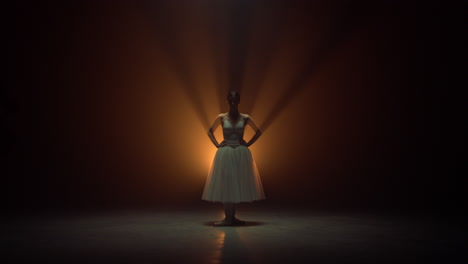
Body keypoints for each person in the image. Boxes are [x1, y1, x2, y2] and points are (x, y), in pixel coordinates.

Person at [202, 90, 265, 226]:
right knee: (227, 183)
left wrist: (248, 143)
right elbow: (209, 131)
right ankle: (227, 218)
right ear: (227, 100)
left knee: (236, 184)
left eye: (235, 99)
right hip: (226, 152)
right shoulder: (221, 117)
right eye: (230, 98)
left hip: (239, 152)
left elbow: (258, 131)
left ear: (239, 101)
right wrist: (217, 144)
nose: (233, 101)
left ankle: (232, 217)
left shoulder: (245, 117)